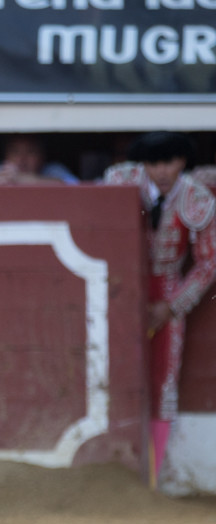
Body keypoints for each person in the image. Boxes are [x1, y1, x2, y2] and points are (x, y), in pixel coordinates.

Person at [104, 132, 216, 490]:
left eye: (170, 162)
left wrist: (171, 307)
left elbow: (208, 263)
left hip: (165, 295)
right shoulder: (120, 181)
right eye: (154, 163)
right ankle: (112, 474)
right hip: (117, 293)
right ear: (142, 164)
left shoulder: (195, 199)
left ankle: (150, 480)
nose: (162, 171)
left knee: (162, 385)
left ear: (183, 162)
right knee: (109, 377)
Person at [0, 134, 79, 186]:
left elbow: (73, 184)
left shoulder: (53, 170)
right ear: (6, 155)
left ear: (41, 156)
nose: (22, 159)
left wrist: (23, 179)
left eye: (30, 152)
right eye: (15, 152)